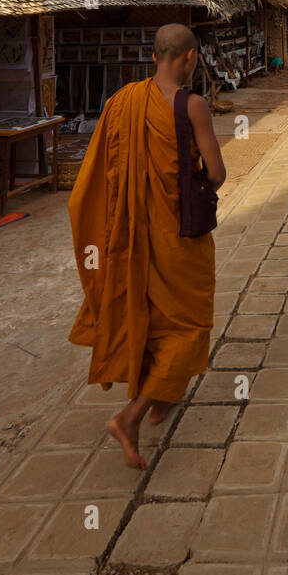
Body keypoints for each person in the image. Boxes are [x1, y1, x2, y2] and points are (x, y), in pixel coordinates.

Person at [68, 23, 226, 471]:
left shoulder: (121, 103)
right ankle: (130, 416)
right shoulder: (193, 106)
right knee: (191, 325)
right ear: (190, 57)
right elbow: (216, 173)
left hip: (134, 236)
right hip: (179, 236)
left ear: (155, 56)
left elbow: (102, 175)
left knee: (154, 316)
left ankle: (161, 399)